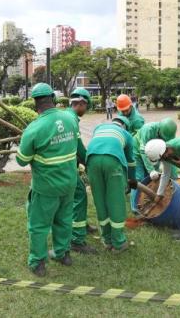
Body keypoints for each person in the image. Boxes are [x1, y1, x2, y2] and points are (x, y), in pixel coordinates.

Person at [15, 83, 80, 277]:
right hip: (69, 182)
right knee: (64, 219)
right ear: (53, 97)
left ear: (34, 103)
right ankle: (63, 254)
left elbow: (21, 160)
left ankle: (38, 263)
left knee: (39, 225)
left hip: (46, 187)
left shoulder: (33, 129)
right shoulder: (70, 118)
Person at [86, 116, 137, 252]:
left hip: (91, 161)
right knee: (116, 201)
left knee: (100, 200)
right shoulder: (126, 134)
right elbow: (131, 161)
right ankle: (119, 242)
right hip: (112, 161)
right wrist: (131, 181)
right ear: (124, 127)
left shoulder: (99, 128)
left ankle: (107, 240)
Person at [67, 87, 97, 254]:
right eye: (87, 107)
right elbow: (79, 148)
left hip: (65, 165)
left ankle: (81, 224)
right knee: (80, 195)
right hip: (66, 167)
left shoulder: (67, 116)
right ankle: (77, 240)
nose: (86, 111)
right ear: (81, 103)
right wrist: (88, 162)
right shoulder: (72, 120)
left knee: (72, 198)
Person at [129, 118, 177, 213]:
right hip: (137, 151)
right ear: (159, 131)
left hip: (152, 152)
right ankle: (134, 206)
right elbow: (142, 151)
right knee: (139, 178)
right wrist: (151, 170)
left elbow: (169, 158)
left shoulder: (168, 135)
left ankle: (150, 198)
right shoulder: (149, 129)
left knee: (154, 178)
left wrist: (174, 177)